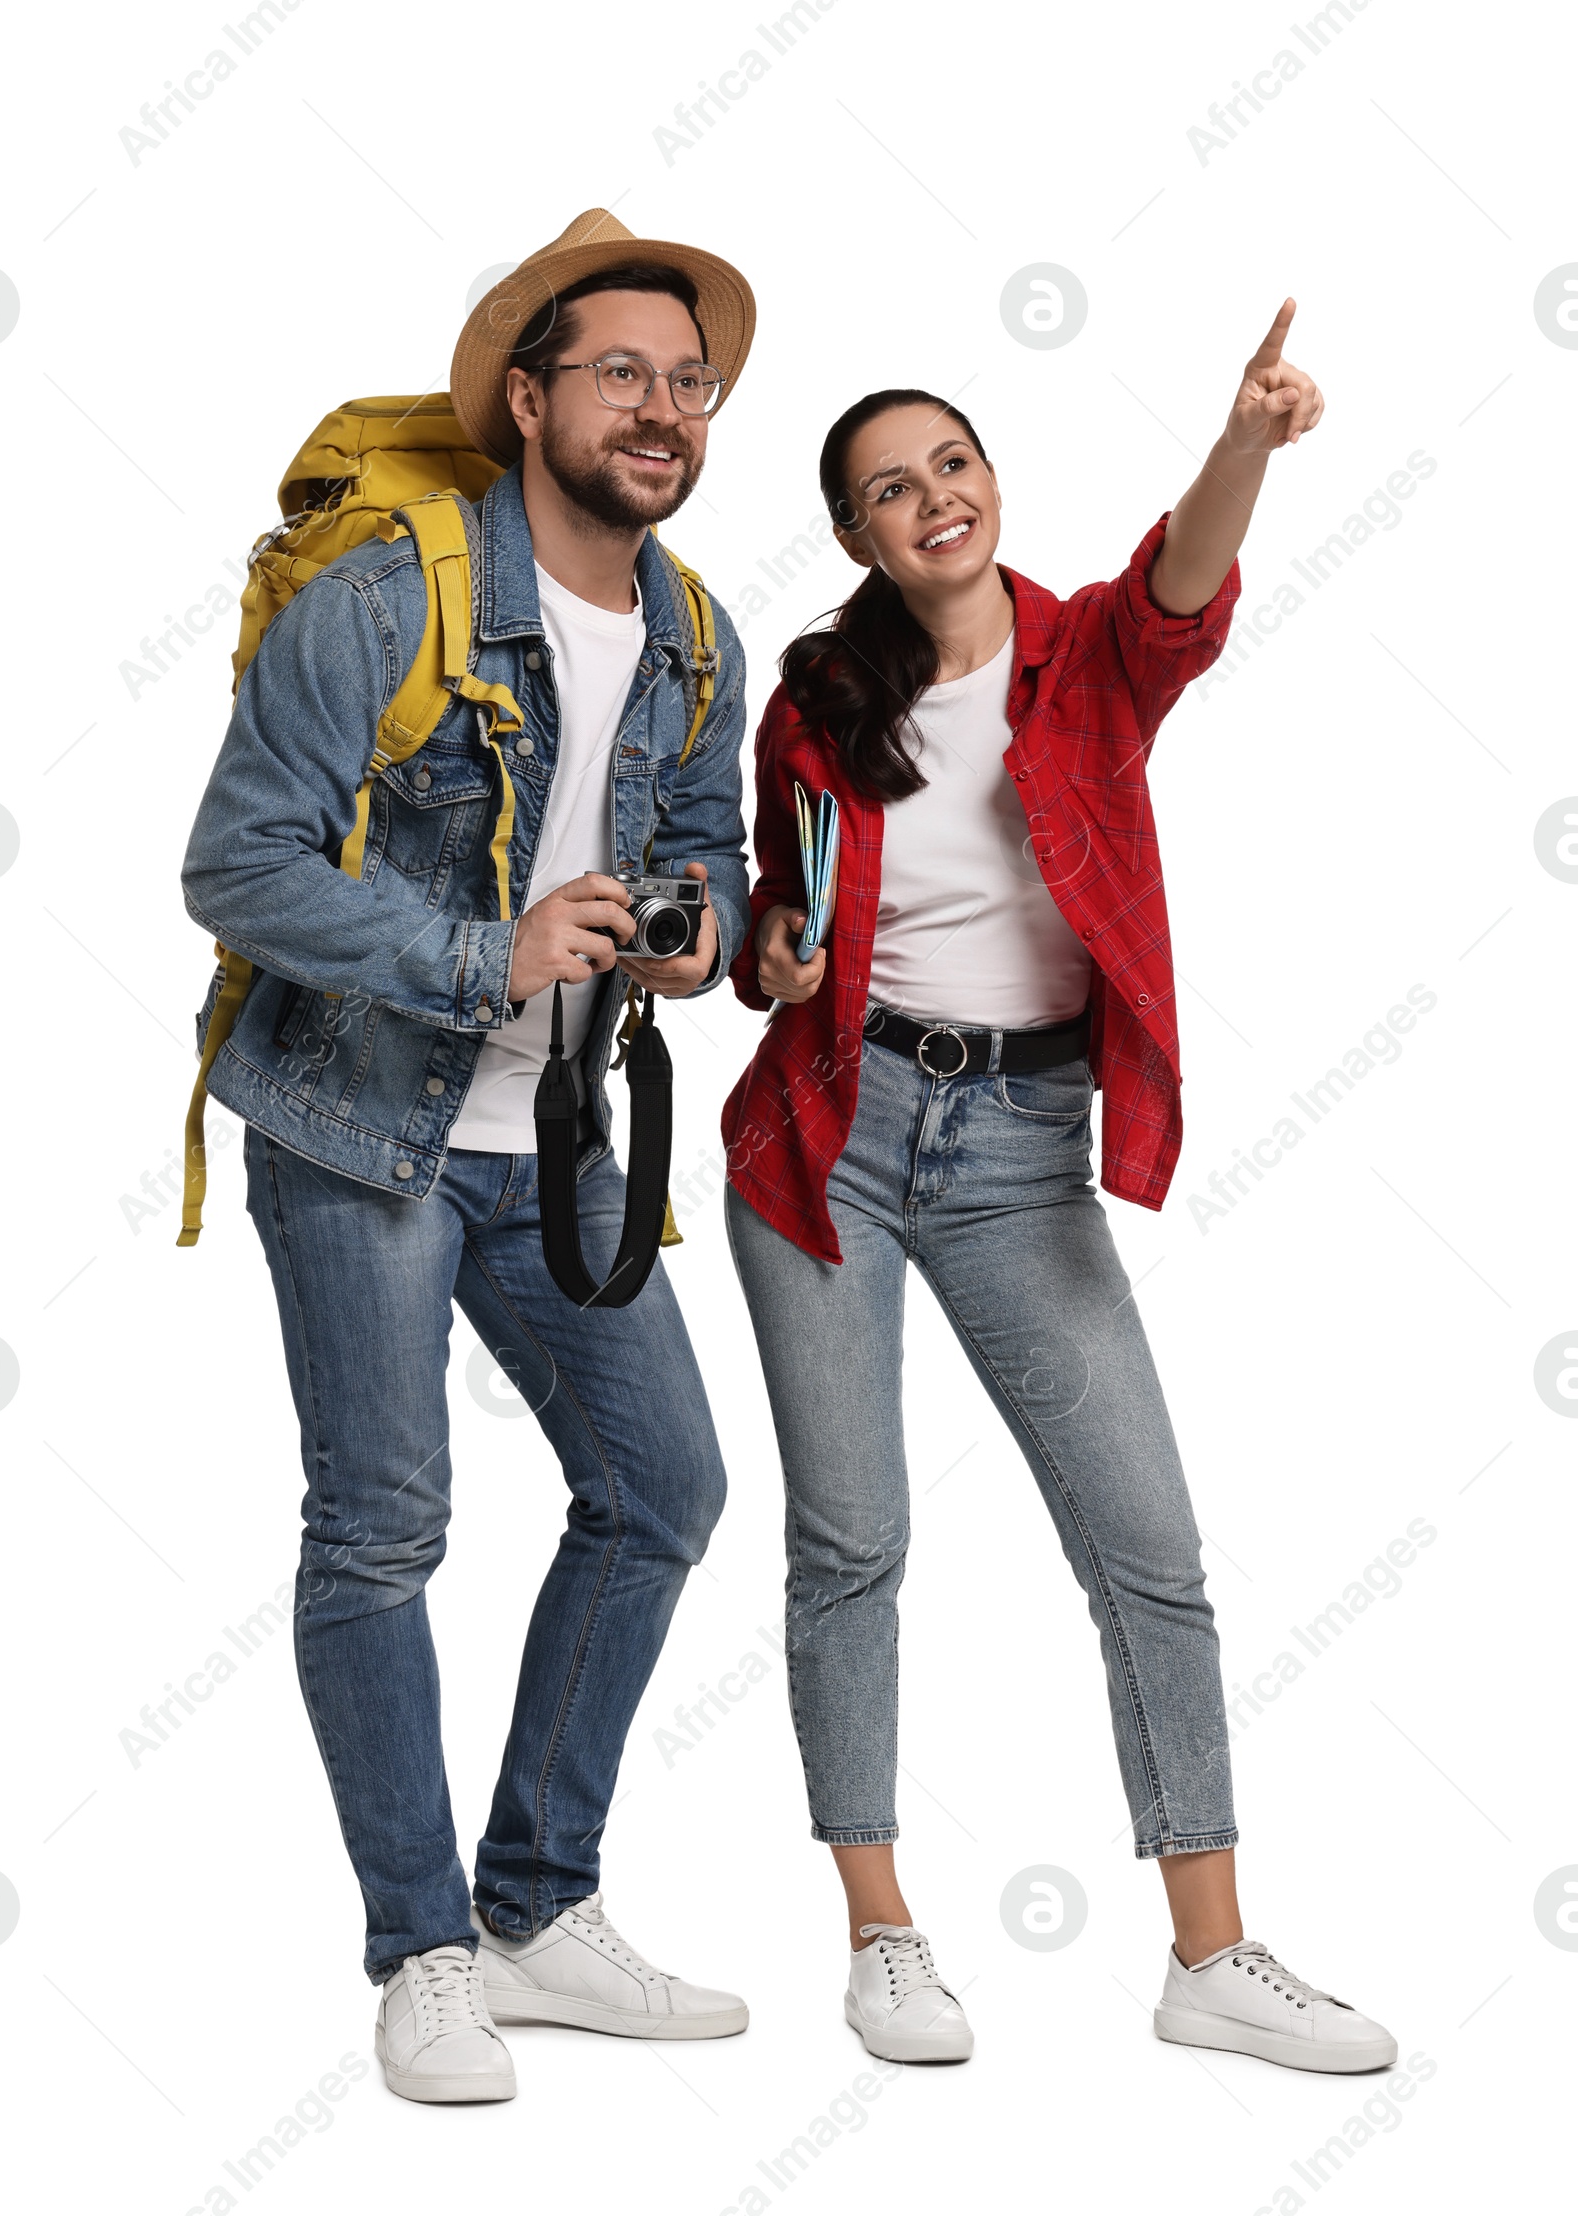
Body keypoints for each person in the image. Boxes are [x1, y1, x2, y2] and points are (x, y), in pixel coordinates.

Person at [722, 306, 1398, 2073]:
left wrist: (1245, 437)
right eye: (889, 488)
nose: (932, 499)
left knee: (1150, 1555)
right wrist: (776, 951)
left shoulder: (1088, 652)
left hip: (1018, 1154)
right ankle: (881, 1932)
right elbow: (769, 907)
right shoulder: (818, 698)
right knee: (853, 1541)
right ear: (858, 534)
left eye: (951, 464)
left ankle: (1210, 1956)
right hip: (830, 1138)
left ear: (989, 482)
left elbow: (1184, 582)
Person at [182, 210, 755, 2105]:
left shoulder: (695, 631)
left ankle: (536, 1907)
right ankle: (423, 1949)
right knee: (383, 1528)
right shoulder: (388, 590)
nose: (660, 410)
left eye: (686, 382)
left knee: (665, 1487)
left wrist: (706, 931)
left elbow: (710, 851)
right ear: (528, 399)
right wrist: (480, 955)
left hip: (561, 1133)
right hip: (360, 1120)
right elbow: (238, 866)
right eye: (620, 374)